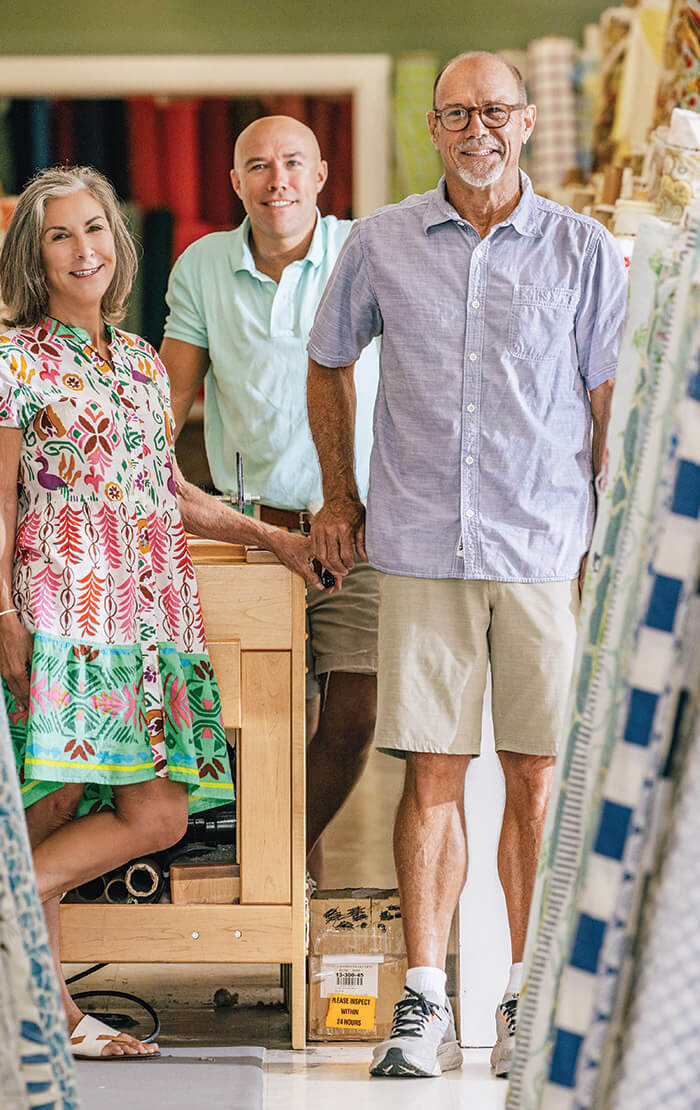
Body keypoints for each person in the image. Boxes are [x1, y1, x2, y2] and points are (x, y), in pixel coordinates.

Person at [306, 52, 627, 1080]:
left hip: (540, 548)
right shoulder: (380, 242)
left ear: (526, 123)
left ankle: (530, 991)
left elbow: (607, 403)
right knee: (432, 774)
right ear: (433, 129)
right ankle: (426, 999)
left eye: (494, 111)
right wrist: (340, 494)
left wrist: (610, 533)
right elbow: (327, 361)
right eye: (456, 114)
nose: (476, 129)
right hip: (420, 545)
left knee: (537, 778)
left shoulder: (585, 250)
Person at [0, 165, 317, 1059]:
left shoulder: (141, 366)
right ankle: (50, 1022)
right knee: (51, 807)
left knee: (157, 815)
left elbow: (167, 492)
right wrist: (2, 614)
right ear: (34, 258)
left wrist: (268, 538)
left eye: (96, 231)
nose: (85, 251)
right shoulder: (1, 365)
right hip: (60, 608)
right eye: (61, 236)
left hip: (148, 616)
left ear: (118, 244)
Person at [160, 115, 380, 882]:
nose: (275, 179)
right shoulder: (201, 265)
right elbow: (167, 403)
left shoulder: (368, 249)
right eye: (257, 165)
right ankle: (293, 920)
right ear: (234, 182)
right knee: (272, 727)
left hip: (358, 532)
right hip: (253, 534)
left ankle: (272, 871)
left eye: (292, 163)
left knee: (352, 718)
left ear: (322, 175)